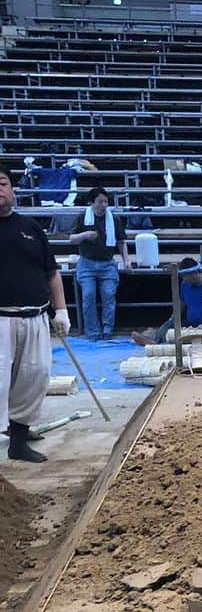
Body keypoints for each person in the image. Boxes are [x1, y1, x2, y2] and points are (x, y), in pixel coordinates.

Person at [0, 165, 70, 464]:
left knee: (35, 376)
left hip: (36, 317)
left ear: (13, 189)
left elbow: (52, 273)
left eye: (2, 183)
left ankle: (18, 442)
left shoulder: (31, 228)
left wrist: (62, 310)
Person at [69, 187, 129, 341]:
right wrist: (85, 235)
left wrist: (126, 260)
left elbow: (122, 241)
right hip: (87, 263)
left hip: (107, 263)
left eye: (106, 201)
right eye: (100, 201)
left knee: (109, 295)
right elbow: (72, 238)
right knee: (88, 296)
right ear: (91, 203)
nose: (103, 205)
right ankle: (93, 332)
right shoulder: (83, 217)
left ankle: (107, 329)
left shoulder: (113, 219)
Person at [132, 259, 202, 345]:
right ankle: (154, 340)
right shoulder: (184, 285)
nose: (184, 278)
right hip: (190, 324)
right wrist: (172, 319)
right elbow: (181, 304)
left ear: (195, 273)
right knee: (169, 324)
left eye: (186, 276)